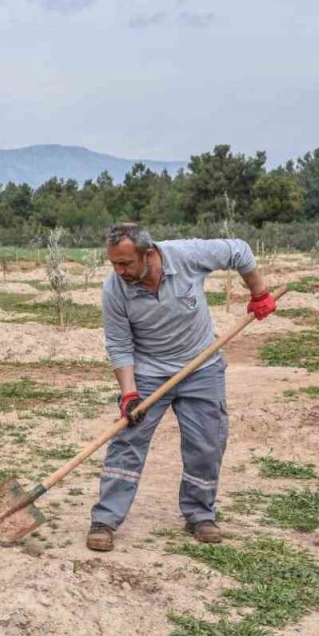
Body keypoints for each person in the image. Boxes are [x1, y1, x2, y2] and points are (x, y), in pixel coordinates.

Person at [87, 223, 276, 552]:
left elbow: (239, 250)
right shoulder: (114, 289)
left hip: (200, 365)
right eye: (114, 264)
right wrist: (130, 394)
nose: (119, 271)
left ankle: (200, 515)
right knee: (127, 440)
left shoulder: (187, 255)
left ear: (149, 254)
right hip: (148, 371)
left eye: (125, 263)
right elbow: (119, 346)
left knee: (207, 443)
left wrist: (258, 292)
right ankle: (105, 519)